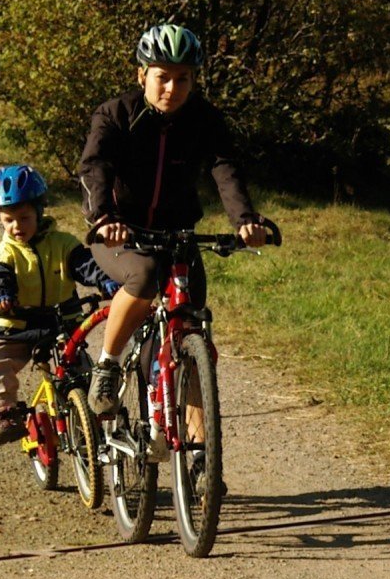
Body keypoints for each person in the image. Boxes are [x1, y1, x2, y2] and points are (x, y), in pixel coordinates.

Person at [78, 22, 270, 415]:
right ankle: (108, 365)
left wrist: (245, 221)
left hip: (178, 237)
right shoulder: (116, 114)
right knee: (145, 275)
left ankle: (201, 451)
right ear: (142, 75)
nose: (172, 88)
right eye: (162, 77)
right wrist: (103, 218)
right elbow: (94, 167)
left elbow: (225, 168)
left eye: (183, 79)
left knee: (193, 339)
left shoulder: (204, 119)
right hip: (121, 235)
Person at [0, 164, 116, 446]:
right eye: (8, 220)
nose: (17, 226)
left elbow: (86, 266)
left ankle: (90, 419)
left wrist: (105, 280)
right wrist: (0, 298)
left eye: (24, 218)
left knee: (82, 370)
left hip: (61, 322)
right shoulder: (7, 252)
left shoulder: (63, 243)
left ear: (40, 212)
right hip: (17, 325)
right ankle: (9, 414)